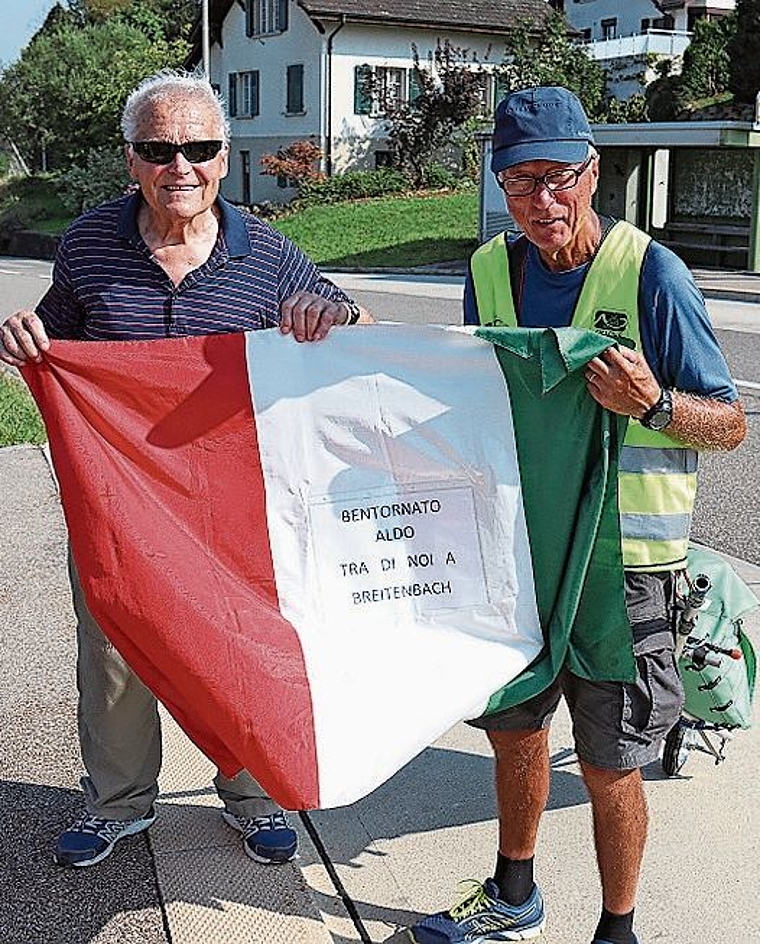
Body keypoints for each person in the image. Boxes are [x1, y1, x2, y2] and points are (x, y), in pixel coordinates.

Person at [0, 69, 370, 870]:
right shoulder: (89, 244)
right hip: (117, 501)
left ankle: (253, 795)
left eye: (199, 148)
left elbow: (357, 323)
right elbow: (59, 340)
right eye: (160, 149)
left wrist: (332, 314)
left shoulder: (266, 253)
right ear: (130, 159)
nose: (182, 166)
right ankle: (117, 805)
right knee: (114, 650)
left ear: (225, 156)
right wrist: (26, 338)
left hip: (235, 507)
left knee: (234, 648)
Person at [408, 86, 746, 944]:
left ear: (595, 173)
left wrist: (655, 403)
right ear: (499, 186)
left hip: (627, 571)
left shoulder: (651, 273)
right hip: (517, 560)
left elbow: (731, 424)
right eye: (520, 184)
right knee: (515, 737)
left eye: (559, 178)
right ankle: (514, 894)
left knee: (609, 764)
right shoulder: (490, 273)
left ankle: (617, 930)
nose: (542, 202)